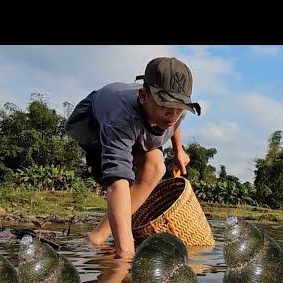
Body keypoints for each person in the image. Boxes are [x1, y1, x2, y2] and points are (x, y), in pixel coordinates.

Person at [64, 57, 201, 260]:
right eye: (166, 106)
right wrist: (126, 255)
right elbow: (117, 183)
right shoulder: (120, 117)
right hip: (93, 124)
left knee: (156, 167)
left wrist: (179, 150)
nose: (173, 115)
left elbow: (176, 122)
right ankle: (116, 244)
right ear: (144, 96)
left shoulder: (176, 111)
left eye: (179, 108)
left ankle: (97, 236)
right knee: (122, 174)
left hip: (145, 125)